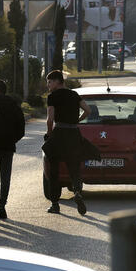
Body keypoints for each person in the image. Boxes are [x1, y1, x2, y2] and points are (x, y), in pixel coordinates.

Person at [43, 70, 91, 216]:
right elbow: (88, 110)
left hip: (59, 133)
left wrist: (50, 134)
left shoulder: (52, 97)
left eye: (50, 82)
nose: (48, 85)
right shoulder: (74, 95)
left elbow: (50, 119)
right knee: (74, 167)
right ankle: (77, 191)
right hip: (73, 133)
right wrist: (78, 120)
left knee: (54, 170)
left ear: (58, 81)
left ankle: (55, 204)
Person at [0, 80, 26, 219]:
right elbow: (21, 128)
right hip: (8, 146)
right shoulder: (14, 105)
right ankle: (2, 206)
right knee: (5, 177)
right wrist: (12, 139)